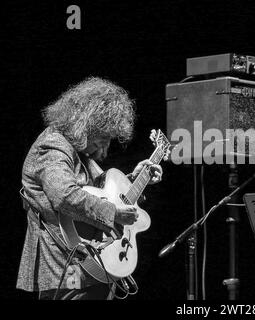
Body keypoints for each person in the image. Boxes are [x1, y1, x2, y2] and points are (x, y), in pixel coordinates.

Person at [17, 77, 164, 300]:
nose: (105, 147)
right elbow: (65, 196)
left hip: (90, 261)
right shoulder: (53, 147)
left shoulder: (78, 151)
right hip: (64, 266)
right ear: (85, 123)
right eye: (103, 138)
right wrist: (114, 213)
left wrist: (136, 177)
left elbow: (100, 193)